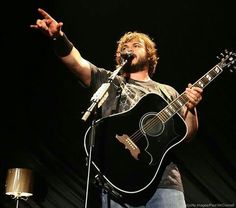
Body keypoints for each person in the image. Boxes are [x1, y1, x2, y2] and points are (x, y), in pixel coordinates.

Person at [31, 8, 203, 208]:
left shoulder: (168, 92)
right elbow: (77, 63)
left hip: (163, 183)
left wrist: (191, 108)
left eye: (136, 45)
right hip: (117, 183)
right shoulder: (107, 81)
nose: (128, 49)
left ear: (150, 55)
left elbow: (188, 135)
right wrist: (58, 37)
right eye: (124, 47)